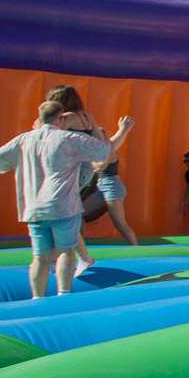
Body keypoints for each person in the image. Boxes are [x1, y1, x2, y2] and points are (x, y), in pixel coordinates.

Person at [0, 103, 131, 297]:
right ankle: (63, 295)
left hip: (34, 208)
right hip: (62, 205)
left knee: (40, 257)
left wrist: (16, 164)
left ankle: (37, 297)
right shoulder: (69, 139)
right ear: (61, 118)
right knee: (66, 251)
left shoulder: (23, 140)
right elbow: (105, 150)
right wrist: (112, 128)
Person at [44, 85, 136, 254]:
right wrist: (122, 132)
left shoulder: (67, 118)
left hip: (76, 170)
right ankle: (78, 252)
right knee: (74, 211)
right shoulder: (87, 117)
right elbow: (104, 146)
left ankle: (67, 251)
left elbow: (46, 132)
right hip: (87, 173)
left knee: (62, 210)